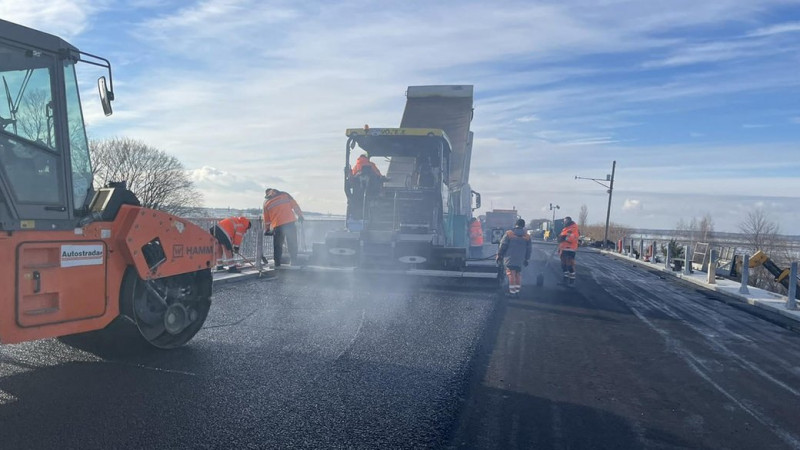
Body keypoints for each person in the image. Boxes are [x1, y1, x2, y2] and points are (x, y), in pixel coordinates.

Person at [263, 188, 304, 267]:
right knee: (292, 243)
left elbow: (266, 219)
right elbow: (295, 205)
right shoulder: (285, 195)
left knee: (278, 245)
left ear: (267, 194)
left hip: (278, 225)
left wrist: (267, 229)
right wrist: (300, 215)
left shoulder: (266, 202)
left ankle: (277, 263)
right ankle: (294, 262)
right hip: (290, 223)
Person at [496, 218, 532, 297]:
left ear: (516, 225)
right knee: (517, 274)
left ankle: (512, 293)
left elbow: (503, 246)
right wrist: (526, 259)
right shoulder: (527, 236)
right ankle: (516, 291)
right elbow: (529, 249)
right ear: (523, 226)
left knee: (511, 274)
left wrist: (499, 255)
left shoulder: (509, 234)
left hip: (509, 258)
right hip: (520, 259)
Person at [558, 216, 580, 285]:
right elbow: (562, 237)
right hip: (563, 249)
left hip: (570, 249)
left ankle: (572, 281)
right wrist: (560, 238)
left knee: (569, 265)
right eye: (564, 221)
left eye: (565, 221)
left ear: (569, 221)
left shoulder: (573, 228)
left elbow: (573, 238)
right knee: (563, 265)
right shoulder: (565, 229)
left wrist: (564, 238)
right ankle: (565, 279)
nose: (564, 222)